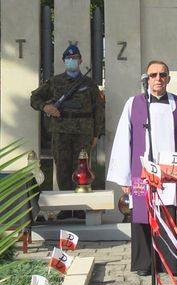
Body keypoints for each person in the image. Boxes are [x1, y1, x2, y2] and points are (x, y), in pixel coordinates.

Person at [107, 60, 177, 276]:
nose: (158, 79)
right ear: (146, 79)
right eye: (153, 75)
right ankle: (144, 263)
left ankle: (173, 263)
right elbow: (123, 139)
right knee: (142, 216)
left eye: (162, 74)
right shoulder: (134, 104)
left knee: (170, 215)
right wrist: (124, 177)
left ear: (168, 78)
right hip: (143, 174)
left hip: (171, 176)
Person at [30, 44, 105, 220]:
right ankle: (65, 207)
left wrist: (96, 134)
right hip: (61, 131)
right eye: (68, 59)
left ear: (80, 61)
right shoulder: (55, 82)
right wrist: (46, 107)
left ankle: (79, 207)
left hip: (83, 133)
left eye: (75, 58)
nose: (72, 61)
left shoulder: (89, 84)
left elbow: (98, 109)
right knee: (63, 168)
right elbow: (34, 98)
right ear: (64, 61)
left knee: (82, 169)